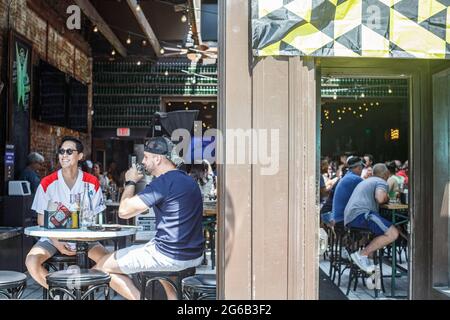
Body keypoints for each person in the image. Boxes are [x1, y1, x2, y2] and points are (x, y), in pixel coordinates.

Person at [93, 136, 204, 300]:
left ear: (158, 158)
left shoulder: (163, 182)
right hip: (193, 255)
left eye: (146, 157)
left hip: (168, 255)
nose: (143, 162)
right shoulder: (189, 180)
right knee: (158, 261)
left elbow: (124, 211)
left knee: (101, 268)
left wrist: (130, 181)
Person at [25, 136, 109, 289]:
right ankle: (59, 292)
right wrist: (57, 241)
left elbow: (97, 218)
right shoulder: (47, 182)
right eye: (61, 151)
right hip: (53, 238)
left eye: (69, 151)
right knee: (31, 260)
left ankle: (79, 289)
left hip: (86, 239)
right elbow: (41, 219)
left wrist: (84, 238)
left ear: (80, 156)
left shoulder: (92, 182)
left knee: (109, 261)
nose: (64, 155)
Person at [344, 163, 399, 273]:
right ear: (386, 174)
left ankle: (371, 268)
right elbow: (380, 198)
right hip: (361, 215)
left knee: (378, 234)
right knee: (393, 233)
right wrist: (387, 196)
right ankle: (362, 254)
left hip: (350, 217)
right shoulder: (381, 181)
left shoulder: (367, 181)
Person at [324, 156, 364, 227]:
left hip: (336, 217)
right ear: (359, 167)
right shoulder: (355, 179)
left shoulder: (347, 176)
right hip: (343, 219)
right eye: (361, 168)